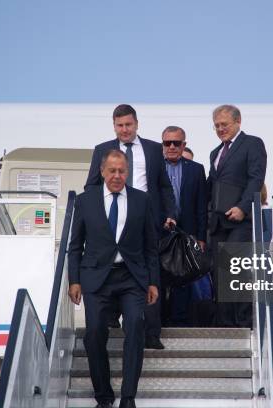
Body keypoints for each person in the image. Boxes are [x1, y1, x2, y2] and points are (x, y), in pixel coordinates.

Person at [68, 150, 159, 408]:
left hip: (132, 278)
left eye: (122, 171)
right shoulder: (86, 201)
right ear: (102, 171)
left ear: (127, 172)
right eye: (112, 171)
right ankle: (104, 397)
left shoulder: (142, 200)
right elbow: (75, 246)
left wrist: (153, 282)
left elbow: (151, 246)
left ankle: (128, 397)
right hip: (97, 279)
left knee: (135, 327)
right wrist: (74, 280)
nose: (117, 176)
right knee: (95, 333)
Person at [85, 104, 175, 349]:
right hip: (112, 221)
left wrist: (170, 213)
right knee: (114, 271)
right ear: (114, 126)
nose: (124, 130)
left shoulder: (155, 150)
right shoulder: (102, 150)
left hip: (144, 222)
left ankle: (152, 334)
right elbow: (91, 186)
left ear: (137, 124)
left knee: (149, 275)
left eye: (128, 124)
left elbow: (164, 186)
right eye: (119, 125)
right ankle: (113, 323)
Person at [207, 104, 267, 327]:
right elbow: (212, 184)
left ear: (238, 121)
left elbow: (255, 179)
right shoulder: (215, 152)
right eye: (217, 126)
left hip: (241, 220)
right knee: (220, 272)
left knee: (237, 270)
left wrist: (243, 207)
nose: (221, 129)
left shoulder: (252, 144)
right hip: (218, 222)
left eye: (225, 124)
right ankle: (224, 324)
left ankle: (242, 323)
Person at [160, 126, 208, 325]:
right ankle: (159, 321)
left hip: (186, 234)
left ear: (184, 145)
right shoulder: (153, 168)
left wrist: (201, 237)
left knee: (183, 278)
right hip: (159, 232)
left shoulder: (196, 169)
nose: (171, 146)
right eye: (167, 143)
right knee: (158, 278)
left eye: (176, 143)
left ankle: (179, 321)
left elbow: (201, 206)